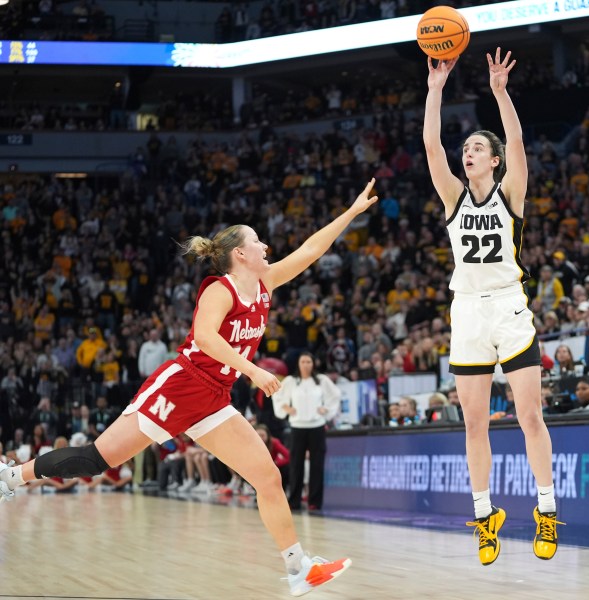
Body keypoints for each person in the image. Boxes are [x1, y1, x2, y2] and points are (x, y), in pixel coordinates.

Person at [0, 179, 379, 596]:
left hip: (213, 400)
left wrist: (352, 213)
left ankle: (298, 568)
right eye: (257, 241)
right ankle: (12, 477)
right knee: (94, 461)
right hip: (178, 387)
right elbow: (206, 338)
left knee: (268, 477)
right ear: (240, 253)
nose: (266, 246)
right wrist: (252, 370)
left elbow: (310, 250)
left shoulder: (265, 283)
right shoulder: (221, 288)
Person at [424, 48, 560, 565]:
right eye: (468, 148)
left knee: (530, 416)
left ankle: (546, 509)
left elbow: (520, 141)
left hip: (508, 307)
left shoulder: (512, 194)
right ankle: (485, 517)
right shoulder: (454, 199)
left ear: (495, 160)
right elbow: (432, 146)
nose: (468, 153)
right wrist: (436, 89)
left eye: (478, 148)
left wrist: (500, 92)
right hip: (467, 314)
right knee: (473, 424)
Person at [272, 351, 341, 511]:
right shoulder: (291, 381)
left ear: (313, 364)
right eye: (303, 362)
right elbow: (277, 397)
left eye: (309, 362)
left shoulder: (321, 380)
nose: (306, 365)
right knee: (296, 464)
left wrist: (327, 410)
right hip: (297, 427)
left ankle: (315, 501)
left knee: (317, 464)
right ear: (298, 364)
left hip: (317, 426)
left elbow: (335, 395)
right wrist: (285, 408)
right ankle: (294, 500)